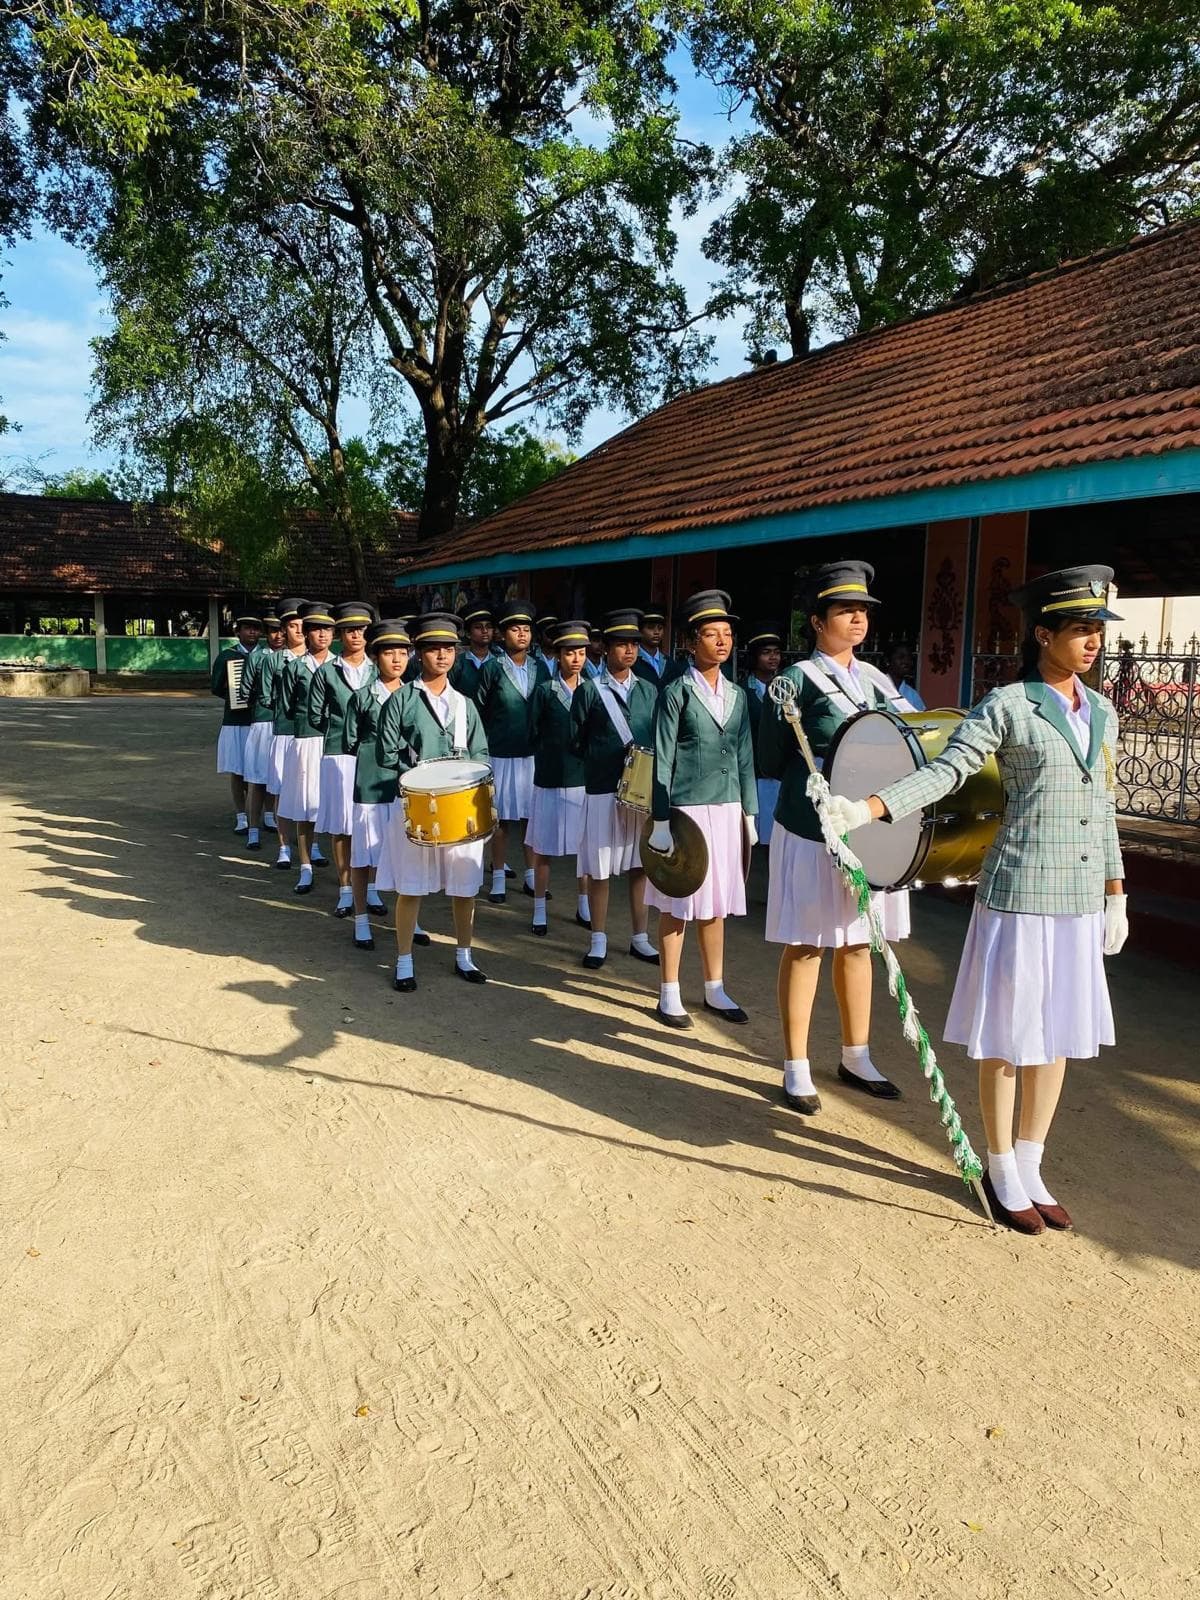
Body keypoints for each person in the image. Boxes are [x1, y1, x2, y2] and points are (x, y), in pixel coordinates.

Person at [827, 565, 1129, 1234]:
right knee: (1010, 1036)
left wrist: (1116, 892)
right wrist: (870, 807)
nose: (1092, 642)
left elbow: (1103, 807)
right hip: (1021, 892)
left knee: (1058, 1036)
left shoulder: (1102, 711)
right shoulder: (1008, 706)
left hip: (1080, 897)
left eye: (1098, 631)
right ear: (1043, 633)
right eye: (1080, 630)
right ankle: (1000, 1166)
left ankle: (1033, 1162)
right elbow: (947, 771)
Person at [758, 560, 917, 1116]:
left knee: (858, 941)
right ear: (817, 621)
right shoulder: (795, 681)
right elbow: (771, 757)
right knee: (807, 944)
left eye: (863, 611)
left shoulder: (878, 681)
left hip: (867, 828)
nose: (858, 619)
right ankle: (796, 1064)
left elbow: (908, 740)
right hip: (811, 827)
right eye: (845, 610)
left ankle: (857, 1055)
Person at [644, 591, 757, 1029]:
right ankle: (668, 991)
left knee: (717, 903)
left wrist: (749, 812)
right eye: (711, 634)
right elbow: (662, 757)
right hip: (687, 810)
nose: (722, 641)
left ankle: (714, 987)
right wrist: (660, 819)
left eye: (727, 633)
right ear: (692, 642)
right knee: (678, 900)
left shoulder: (738, 694)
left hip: (727, 808)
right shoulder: (677, 692)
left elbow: (745, 756)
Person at [375, 612, 491, 989]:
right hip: (416, 805)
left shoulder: (465, 704)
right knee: (411, 886)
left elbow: (482, 753)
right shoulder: (402, 700)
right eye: (433, 648)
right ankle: (404, 959)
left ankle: (464, 955)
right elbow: (384, 753)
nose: (442, 655)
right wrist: (415, 775)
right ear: (418, 653)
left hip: (460, 806)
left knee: (465, 886)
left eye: (449, 649)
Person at [569, 607, 660, 970]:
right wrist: (602, 757)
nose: (630, 650)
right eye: (622, 644)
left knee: (640, 865)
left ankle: (640, 937)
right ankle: (598, 939)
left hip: (640, 792)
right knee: (600, 867)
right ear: (605, 648)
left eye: (634, 644)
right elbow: (576, 740)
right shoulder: (589, 691)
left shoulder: (649, 690)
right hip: (603, 788)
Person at [343, 619, 423, 951]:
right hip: (371, 783)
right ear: (375, 657)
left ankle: (411, 920)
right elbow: (350, 741)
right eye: (389, 653)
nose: (397, 659)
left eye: (402, 652)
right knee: (364, 854)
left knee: (409, 855)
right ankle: (361, 919)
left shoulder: (417, 696)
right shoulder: (362, 698)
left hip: (407, 786)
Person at [474, 598, 550, 903]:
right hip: (501, 752)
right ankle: (498, 876)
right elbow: (479, 710)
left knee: (533, 817)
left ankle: (532, 875)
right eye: (515, 629)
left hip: (532, 754)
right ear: (502, 634)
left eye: (526, 630)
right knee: (501, 819)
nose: (522, 634)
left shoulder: (540, 668)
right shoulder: (492, 668)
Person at [311, 601, 377, 919]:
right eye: (349, 630)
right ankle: (346, 889)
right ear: (340, 634)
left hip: (374, 754)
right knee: (342, 825)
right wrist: (339, 727)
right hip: (338, 752)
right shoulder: (327, 671)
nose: (355, 635)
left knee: (371, 823)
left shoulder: (379, 669)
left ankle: (372, 888)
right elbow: (314, 714)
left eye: (361, 630)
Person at [526, 620, 592, 935]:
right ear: (557, 655)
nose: (576, 659)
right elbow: (532, 731)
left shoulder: (593, 690)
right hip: (550, 777)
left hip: (583, 779)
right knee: (543, 847)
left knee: (585, 848)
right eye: (569, 653)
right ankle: (539, 909)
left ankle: (584, 904)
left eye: (581, 652)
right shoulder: (544, 691)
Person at [277, 601, 335, 894]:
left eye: (327, 629)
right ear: (306, 633)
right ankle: (305, 866)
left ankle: (348, 878)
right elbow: (288, 706)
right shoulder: (295, 667)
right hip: (306, 740)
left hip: (336, 744)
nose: (322, 635)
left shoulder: (341, 667)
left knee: (335, 806)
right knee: (304, 805)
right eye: (315, 629)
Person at [264, 597, 307, 870]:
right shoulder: (274, 661)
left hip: (312, 735)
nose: (299, 631)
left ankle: (312, 846)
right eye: (292, 626)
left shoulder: (322, 661)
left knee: (310, 792)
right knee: (282, 790)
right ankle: (284, 846)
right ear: (283, 629)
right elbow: (267, 696)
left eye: (303, 625)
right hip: (283, 731)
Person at [211, 610, 262, 833]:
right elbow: (215, 686)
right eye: (247, 628)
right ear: (238, 632)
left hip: (261, 720)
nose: (252, 632)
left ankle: (266, 814)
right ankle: (241, 815)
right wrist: (235, 696)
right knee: (237, 769)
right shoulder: (227, 656)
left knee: (262, 770)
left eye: (256, 628)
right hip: (235, 720)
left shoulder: (268, 655)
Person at [239, 604, 283, 852]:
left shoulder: (294, 658)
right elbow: (244, 690)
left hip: (287, 726)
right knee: (257, 780)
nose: (278, 635)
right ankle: (253, 830)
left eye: (281, 630)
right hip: (263, 721)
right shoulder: (256, 657)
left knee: (282, 781)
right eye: (273, 630)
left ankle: (282, 833)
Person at [740, 623, 783, 847]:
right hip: (753, 770)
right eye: (766, 652)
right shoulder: (742, 691)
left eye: (776, 652)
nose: (772, 657)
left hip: (780, 770)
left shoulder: (786, 689)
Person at [450, 600, 496, 697]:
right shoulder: (457, 664)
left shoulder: (500, 662)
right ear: (468, 634)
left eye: (489, 626)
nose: (485, 631)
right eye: (478, 627)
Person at [632, 606, 683, 687]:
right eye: (651, 628)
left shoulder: (670, 663)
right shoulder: (632, 661)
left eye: (660, 628)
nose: (656, 632)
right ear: (640, 630)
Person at [887, 642, 926, 710]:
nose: (906, 661)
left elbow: (922, 715)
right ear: (887, 661)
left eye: (909, 658)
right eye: (901, 657)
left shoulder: (913, 695)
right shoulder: (876, 687)